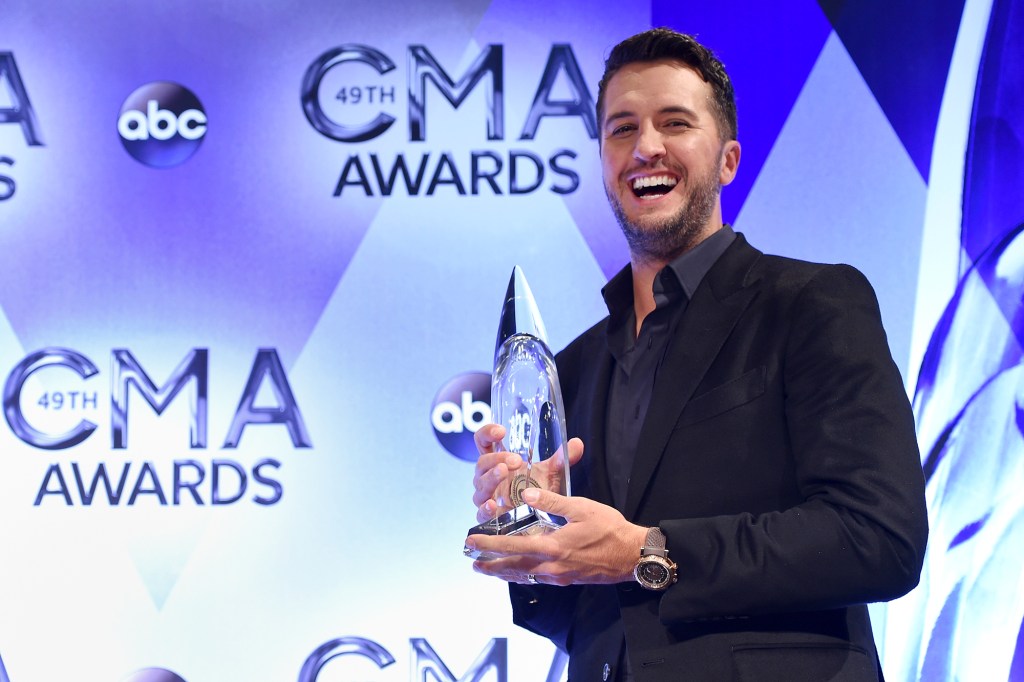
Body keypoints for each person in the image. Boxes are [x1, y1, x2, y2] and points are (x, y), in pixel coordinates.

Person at [464, 27, 928, 682]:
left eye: (674, 123)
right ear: (603, 163)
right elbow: (581, 618)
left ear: (729, 160)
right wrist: (531, 533)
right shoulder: (572, 369)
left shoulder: (813, 305)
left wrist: (646, 553)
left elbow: (879, 539)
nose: (645, 146)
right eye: (621, 129)